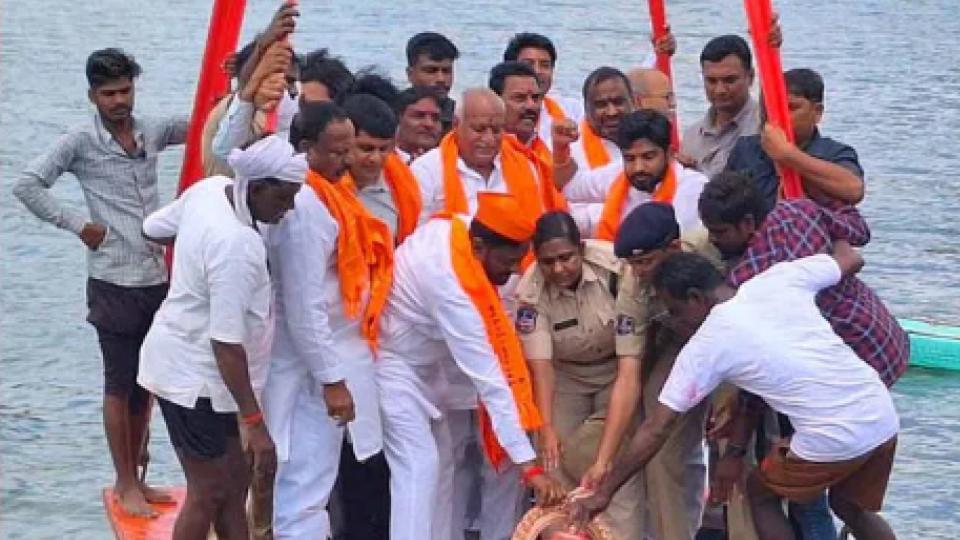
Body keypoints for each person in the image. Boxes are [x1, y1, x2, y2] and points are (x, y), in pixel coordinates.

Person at [569, 248, 900, 540]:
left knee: (760, 494)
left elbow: (656, 428)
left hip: (833, 437)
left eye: (674, 311)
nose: (673, 321)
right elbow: (851, 258)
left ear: (696, 298)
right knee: (848, 506)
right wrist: (840, 228)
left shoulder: (707, 345)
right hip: (881, 413)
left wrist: (603, 494)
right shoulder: (777, 279)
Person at [12, 48, 187, 517]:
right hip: (112, 279)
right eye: (109, 93)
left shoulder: (151, 129)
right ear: (92, 95)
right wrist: (76, 225)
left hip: (156, 275)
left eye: (125, 90)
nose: (119, 101)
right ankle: (125, 482)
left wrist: (242, 85)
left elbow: (205, 124)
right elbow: (27, 184)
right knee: (118, 384)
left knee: (147, 383)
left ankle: (141, 477)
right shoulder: (80, 142)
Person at [698, 171, 908, 539]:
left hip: (848, 366)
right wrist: (833, 254)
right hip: (885, 344)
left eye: (719, 233)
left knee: (787, 493)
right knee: (846, 503)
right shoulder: (796, 210)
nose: (715, 243)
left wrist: (735, 449)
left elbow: (763, 367)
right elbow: (858, 231)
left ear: (747, 224)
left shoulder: (752, 278)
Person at [137, 135, 302, 538]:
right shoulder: (237, 246)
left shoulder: (209, 190)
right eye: (284, 199)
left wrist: (194, 262)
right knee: (208, 492)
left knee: (235, 485)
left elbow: (152, 228)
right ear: (259, 188)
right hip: (195, 380)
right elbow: (226, 345)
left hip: (180, 359)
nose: (290, 209)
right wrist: (255, 423)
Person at [375, 192, 565, 540]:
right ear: (479, 246)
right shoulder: (449, 285)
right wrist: (529, 467)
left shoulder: (463, 230)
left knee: (442, 465)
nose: (510, 274)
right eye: (507, 263)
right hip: (393, 364)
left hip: (430, 365)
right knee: (419, 467)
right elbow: (491, 381)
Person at [262, 102, 393, 539]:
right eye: (337, 153)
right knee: (304, 487)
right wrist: (331, 380)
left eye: (349, 150)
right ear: (304, 150)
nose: (349, 161)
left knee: (310, 485)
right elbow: (305, 307)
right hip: (312, 369)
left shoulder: (329, 196)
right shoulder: (306, 207)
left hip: (333, 355)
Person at [588, 202, 720, 540]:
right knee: (662, 453)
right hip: (679, 345)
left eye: (646, 262)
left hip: (737, 340)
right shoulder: (635, 288)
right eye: (633, 264)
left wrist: (730, 398)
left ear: (674, 248)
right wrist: (604, 461)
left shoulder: (715, 245)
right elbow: (628, 374)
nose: (639, 272)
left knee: (738, 448)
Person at [514, 211, 645, 540]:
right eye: (548, 262)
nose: (558, 269)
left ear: (582, 249)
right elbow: (541, 369)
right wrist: (545, 428)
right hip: (565, 375)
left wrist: (603, 459)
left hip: (617, 372)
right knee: (555, 468)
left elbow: (630, 367)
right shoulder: (530, 291)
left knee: (612, 474)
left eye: (566, 258)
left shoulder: (616, 271)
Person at [725, 68, 865, 209]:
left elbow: (854, 189)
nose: (779, 116)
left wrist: (788, 155)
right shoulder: (746, 148)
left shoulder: (834, 152)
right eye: (772, 108)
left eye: (791, 108)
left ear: (817, 112)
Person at [557, 109, 707, 239]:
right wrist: (560, 148)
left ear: (670, 153)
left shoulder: (692, 187)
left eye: (648, 157)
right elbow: (569, 188)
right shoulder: (618, 173)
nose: (638, 167)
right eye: (629, 158)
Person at [411, 88, 545, 223]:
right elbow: (416, 231)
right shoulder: (427, 169)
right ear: (456, 125)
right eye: (479, 129)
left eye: (496, 130)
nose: (489, 139)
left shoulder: (523, 167)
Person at [340, 89, 422, 244]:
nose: (375, 159)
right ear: (345, 142)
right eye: (366, 148)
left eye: (383, 149)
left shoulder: (402, 187)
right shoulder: (324, 187)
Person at [680, 35, 760, 179]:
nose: (720, 90)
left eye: (729, 80)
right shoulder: (691, 136)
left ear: (751, 77)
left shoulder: (765, 129)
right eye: (711, 81)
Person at [502, 32, 583, 148]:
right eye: (529, 64)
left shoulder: (572, 110)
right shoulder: (491, 115)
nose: (537, 71)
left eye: (545, 65)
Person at [405, 32, 459, 135]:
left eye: (446, 71)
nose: (441, 79)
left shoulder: (461, 117)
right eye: (431, 70)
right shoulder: (391, 114)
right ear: (410, 74)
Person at [393, 85, 443, 164]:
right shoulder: (379, 162)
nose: (429, 124)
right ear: (399, 118)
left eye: (435, 118)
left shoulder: (453, 165)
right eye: (419, 116)